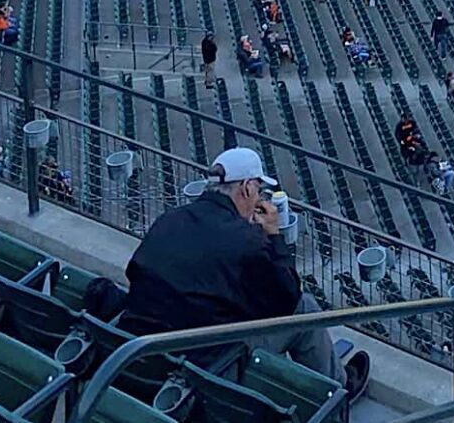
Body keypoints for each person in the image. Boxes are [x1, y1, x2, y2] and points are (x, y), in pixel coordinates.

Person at [123, 149, 369, 401]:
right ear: (247, 188)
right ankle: (338, 390)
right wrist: (272, 234)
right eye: (259, 191)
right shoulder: (246, 239)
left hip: (144, 354)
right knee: (304, 309)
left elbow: (135, 272)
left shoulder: (168, 219)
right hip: (207, 368)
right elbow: (288, 297)